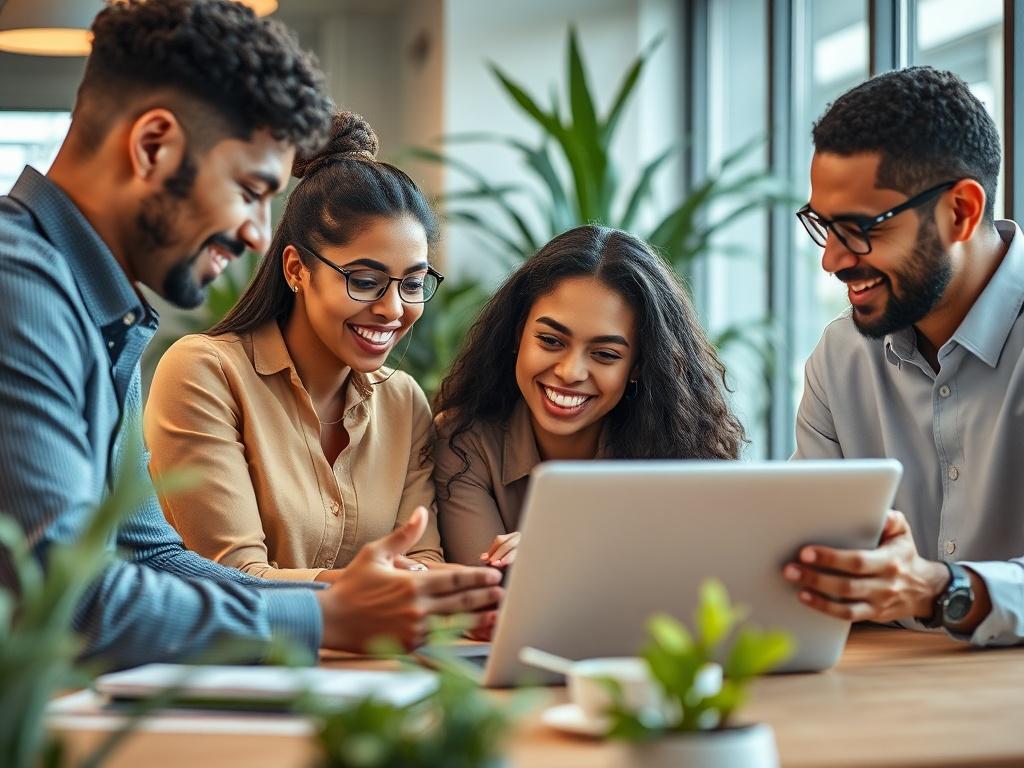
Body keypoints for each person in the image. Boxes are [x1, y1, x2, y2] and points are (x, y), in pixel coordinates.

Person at [0, 0, 499, 671]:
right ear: (153, 146)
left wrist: (354, 597)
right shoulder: (18, 286)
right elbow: (65, 600)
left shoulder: (97, 316)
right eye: (250, 189)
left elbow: (151, 555)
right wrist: (327, 614)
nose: (259, 234)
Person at [145, 112, 446, 581]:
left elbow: (425, 560)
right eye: (365, 281)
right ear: (296, 270)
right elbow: (235, 577)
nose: (392, 309)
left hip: (375, 656)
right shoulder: (204, 372)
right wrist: (372, 587)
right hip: (230, 655)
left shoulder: (404, 401)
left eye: (412, 284)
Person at [784, 66, 1023, 645]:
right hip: (877, 695)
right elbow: (801, 550)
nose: (833, 261)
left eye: (859, 229)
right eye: (824, 227)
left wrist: (938, 590)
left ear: (962, 211)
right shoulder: (841, 355)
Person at [433, 225, 745, 568]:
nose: (570, 372)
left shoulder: (678, 454)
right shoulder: (463, 442)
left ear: (638, 366)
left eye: (606, 354)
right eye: (551, 341)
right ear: (517, 333)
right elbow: (487, 600)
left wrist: (556, 548)